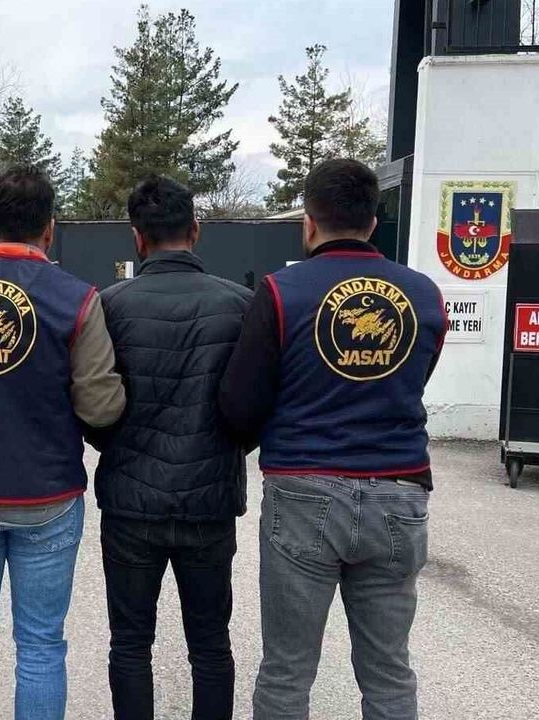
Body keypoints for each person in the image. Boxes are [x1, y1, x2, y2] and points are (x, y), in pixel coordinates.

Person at [219, 159, 447, 720]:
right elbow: (414, 378)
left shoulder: (281, 292)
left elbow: (240, 404)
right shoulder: (424, 295)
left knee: (287, 671)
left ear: (309, 221)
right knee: (389, 673)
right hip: (398, 490)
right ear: (373, 221)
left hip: (303, 491)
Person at [0, 165, 126, 720]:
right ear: (49, 230)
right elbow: (100, 406)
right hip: (47, 494)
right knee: (40, 645)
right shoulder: (77, 299)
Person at [89, 175, 252, 720]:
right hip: (209, 502)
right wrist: (230, 449)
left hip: (130, 503)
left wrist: (115, 446)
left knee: (130, 643)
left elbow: (94, 404)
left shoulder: (109, 306)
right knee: (210, 644)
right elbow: (254, 406)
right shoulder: (241, 304)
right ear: (195, 230)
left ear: (137, 237)